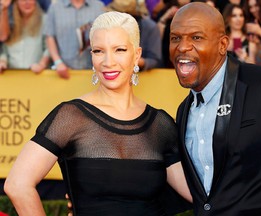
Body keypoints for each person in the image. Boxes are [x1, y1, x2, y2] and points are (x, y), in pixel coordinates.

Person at [4, 11, 192, 216]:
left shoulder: (160, 125)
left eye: (119, 49)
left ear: (137, 54)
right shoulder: (71, 116)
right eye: (98, 51)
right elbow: (17, 184)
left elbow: (198, 194)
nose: (108, 61)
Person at [169, 2, 261, 215]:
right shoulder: (184, 111)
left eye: (196, 37)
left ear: (223, 45)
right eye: (175, 38)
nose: (182, 47)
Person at [43, 0, 105, 79]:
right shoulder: (55, 7)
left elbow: (105, 36)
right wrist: (58, 62)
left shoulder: (98, 6)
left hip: (92, 71)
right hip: (63, 71)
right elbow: (50, 36)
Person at [106, 0, 162, 71]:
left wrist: (134, 60)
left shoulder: (150, 27)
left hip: (143, 78)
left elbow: (154, 61)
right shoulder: (107, 28)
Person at [0, 0, 50, 74]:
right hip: (13, 76)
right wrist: (3, 61)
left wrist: (41, 64)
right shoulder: (9, 21)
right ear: (16, 3)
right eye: (23, 0)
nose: (27, 2)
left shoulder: (45, 20)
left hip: (37, 75)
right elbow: (4, 49)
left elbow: (49, 49)